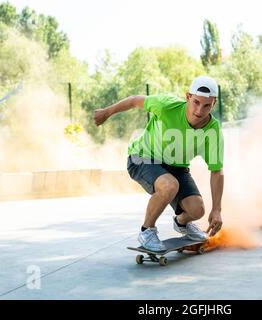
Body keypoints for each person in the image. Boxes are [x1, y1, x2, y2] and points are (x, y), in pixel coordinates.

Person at [94, 76, 224, 252]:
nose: (199, 111)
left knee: (197, 210)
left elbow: (216, 171)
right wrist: (106, 112)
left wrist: (217, 209)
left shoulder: (213, 130)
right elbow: (133, 101)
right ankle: (146, 231)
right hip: (142, 158)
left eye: (206, 105)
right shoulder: (166, 105)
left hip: (177, 167)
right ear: (187, 97)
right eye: (196, 102)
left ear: (214, 103)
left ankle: (182, 223)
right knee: (170, 185)